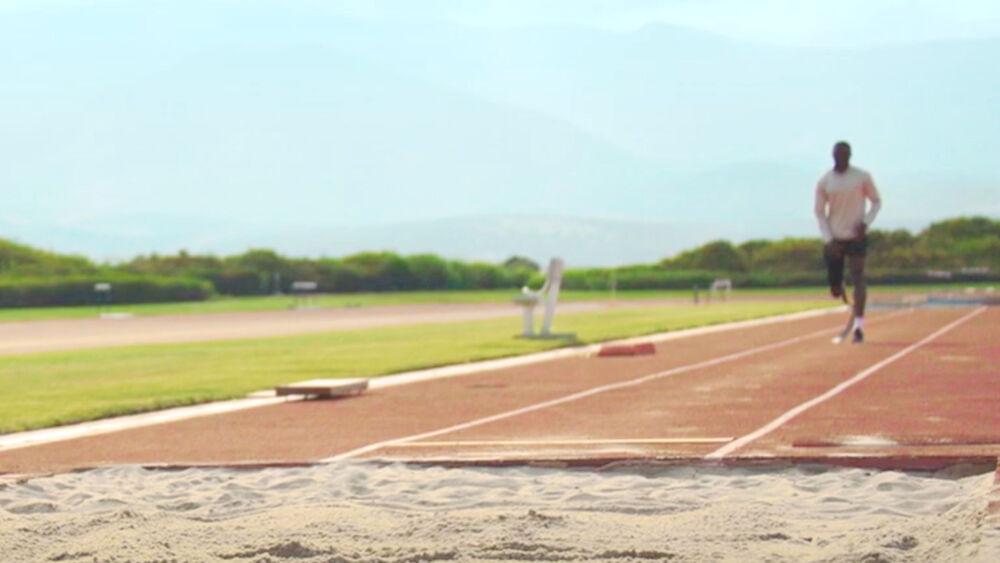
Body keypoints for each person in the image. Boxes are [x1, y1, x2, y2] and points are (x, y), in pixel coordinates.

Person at [814, 141, 881, 343]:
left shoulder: (861, 177)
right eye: (838, 154)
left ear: (850, 155)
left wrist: (865, 224)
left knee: (859, 277)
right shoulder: (825, 181)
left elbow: (876, 201)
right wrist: (828, 239)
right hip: (835, 238)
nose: (842, 157)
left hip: (856, 237)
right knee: (835, 288)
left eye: (845, 154)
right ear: (833, 155)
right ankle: (838, 286)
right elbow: (819, 212)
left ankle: (859, 325)